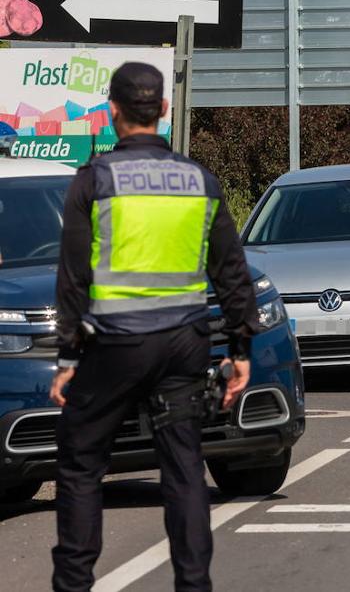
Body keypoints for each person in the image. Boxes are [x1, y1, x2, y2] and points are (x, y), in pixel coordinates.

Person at [48, 62, 260, 592]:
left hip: (114, 347)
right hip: (183, 347)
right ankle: (194, 585)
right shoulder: (199, 181)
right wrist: (239, 349)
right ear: (163, 110)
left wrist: (67, 359)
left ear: (111, 111)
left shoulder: (93, 181)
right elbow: (232, 273)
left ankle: (73, 584)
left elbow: (73, 278)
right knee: (185, 469)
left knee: (80, 466)